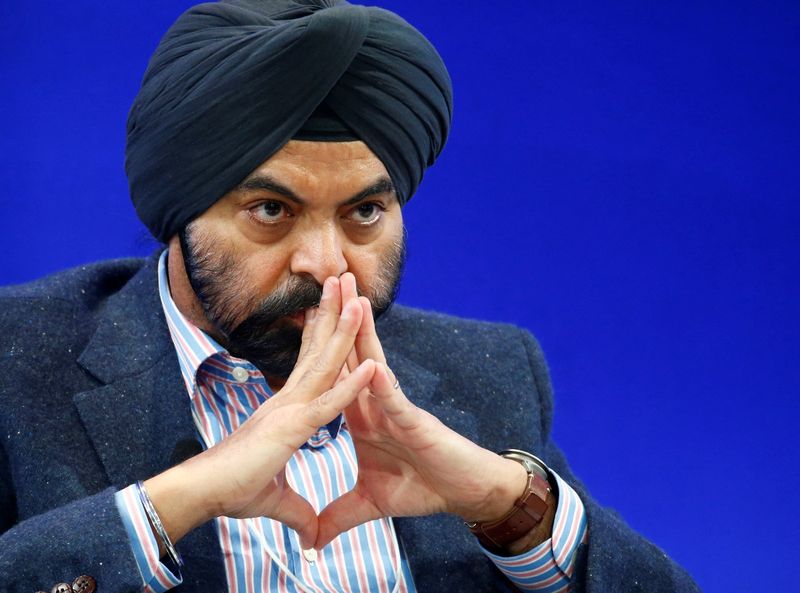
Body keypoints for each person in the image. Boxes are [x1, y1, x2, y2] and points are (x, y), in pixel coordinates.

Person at [0, 1, 701, 592]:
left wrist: (511, 507)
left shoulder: (490, 370)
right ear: (180, 212)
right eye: (271, 210)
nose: (327, 263)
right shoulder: (18, 354)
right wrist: (172, 502)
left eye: (364, 213)